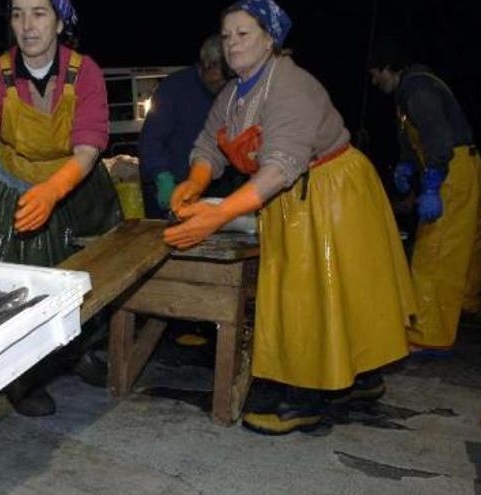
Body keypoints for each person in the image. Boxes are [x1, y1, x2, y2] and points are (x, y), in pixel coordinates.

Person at [164, 0, 415, 435]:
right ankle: (359, 379)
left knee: (317, 294)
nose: (232, 44)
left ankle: (304, 399)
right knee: (323, 292)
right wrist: (195, 182)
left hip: (331, 191)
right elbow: (208, 145)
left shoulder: (291, 86)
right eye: (226, 36)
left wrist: (217, 215)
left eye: (243, 34)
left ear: (270, 38)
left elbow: (280, 166)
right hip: (287, 197)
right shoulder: (233, 93)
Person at [0, 0, 122, 416]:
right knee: (12, 283)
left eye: (39, 13)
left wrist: (53, 191)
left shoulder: (85, 71)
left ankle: (78, 351)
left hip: (76, 183)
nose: (27, 26)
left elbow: (89, 146)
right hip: (11, 183)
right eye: (18, 14)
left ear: (60, 23)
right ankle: (22, 378)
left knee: (89, 273)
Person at [368, 42, 481, 352]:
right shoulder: (407, 92)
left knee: (435, 253)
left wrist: (432, 184)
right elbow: (416, 138)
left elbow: (440, 140)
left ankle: (428, 336)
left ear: (388, 69)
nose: (374, 81)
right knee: (436, 249)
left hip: (451, 170)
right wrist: (407, 163)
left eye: (375, 74)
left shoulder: (417, 88)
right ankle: (432, 326)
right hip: (447, 168)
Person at [138, 35, 246, 219]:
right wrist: (161, 176)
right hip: (173, 186)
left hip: (218, 186)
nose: (229, 82)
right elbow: (151, 140)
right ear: (208, 65)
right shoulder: (173, 89)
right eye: (225, 75)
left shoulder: (235, 90)